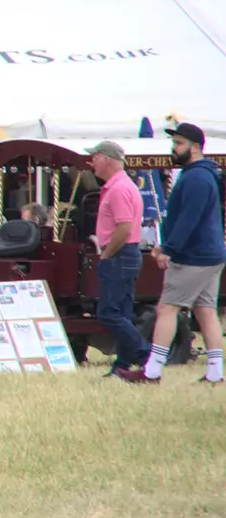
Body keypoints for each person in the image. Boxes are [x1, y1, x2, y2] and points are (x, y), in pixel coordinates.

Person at [119, 123, 225, 385]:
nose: (173, 148)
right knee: (205, 311)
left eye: (179, 144)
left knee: (166, 308)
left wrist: (170, 249)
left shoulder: (196, 177)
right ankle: (215, 373)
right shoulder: (201, 174)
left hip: (194, 256)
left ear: (195, 147)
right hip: (209, 254)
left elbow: (189, 218)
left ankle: (151, 371)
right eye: (173, 143)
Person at [84, 142, 150, 376]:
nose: (91, 162)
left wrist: (107, 253)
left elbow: (123, 227)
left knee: (109, 313)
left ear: (107, 159)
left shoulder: (119, 189)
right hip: (126, 254)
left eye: (95, 157)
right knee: (121, 313)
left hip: (119, 254)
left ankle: (145, 355)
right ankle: (122, 365)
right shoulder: (124, 185)